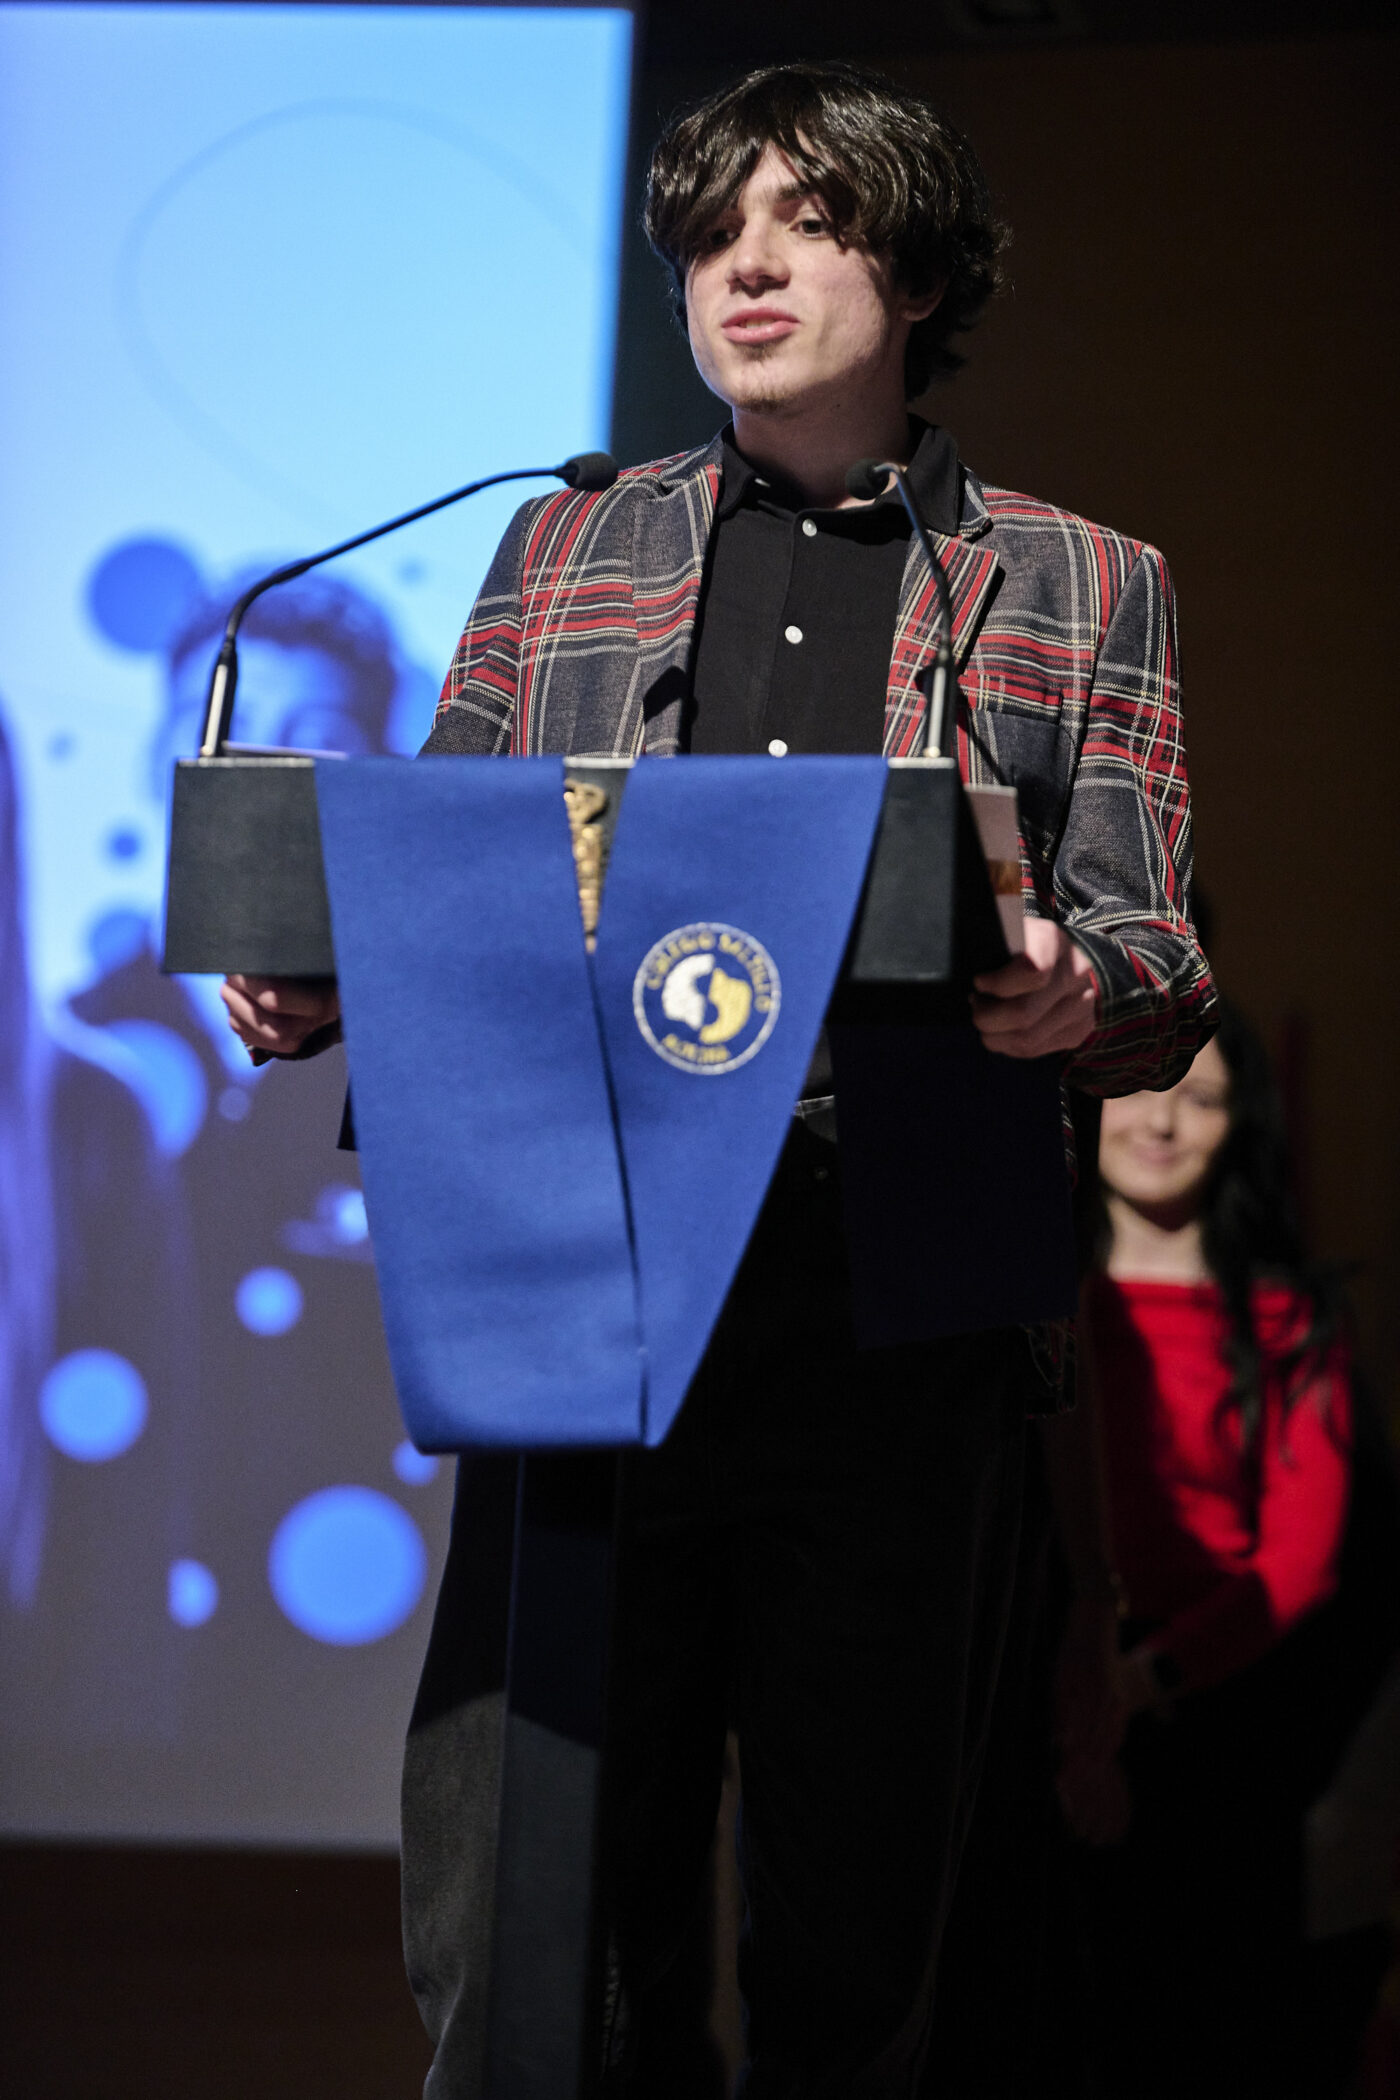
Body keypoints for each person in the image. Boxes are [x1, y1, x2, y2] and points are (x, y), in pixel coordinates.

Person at [220, 62, 1215, 2097]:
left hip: (899, 1298)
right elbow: (458, 865)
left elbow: (1159, 949)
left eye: (808, 219)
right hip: (582, 1281)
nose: (745, 265)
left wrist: (1065, 993)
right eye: (710, 233)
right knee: (535, 1923)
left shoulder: (1076, 579)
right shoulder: (565, 546)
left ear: (921, 270)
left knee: (858, 1938)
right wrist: (334, 983)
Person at [1066, 1002, 1381, 2098]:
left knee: (1211, 2027)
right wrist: (1075, 1697)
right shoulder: (1035, 1314)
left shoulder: (1292, 1320)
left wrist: (1133, 1686)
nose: (1160, 1119)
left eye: (1198, 1096)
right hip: (1044, 1698)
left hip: (1227, 1714)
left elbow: (1297, 1564)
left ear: (1239, 1121)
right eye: (1140, 1088)